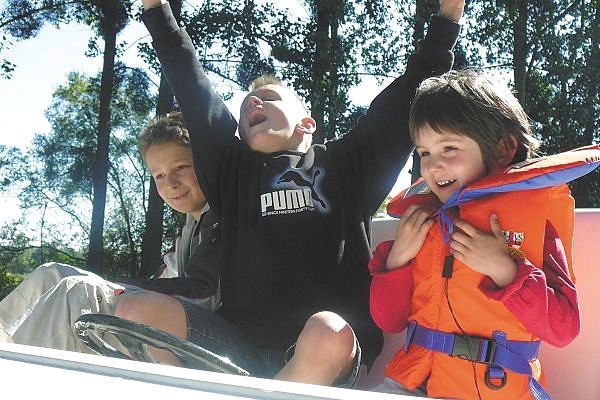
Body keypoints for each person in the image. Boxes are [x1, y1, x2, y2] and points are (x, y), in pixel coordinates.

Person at [141, 0, 464, 387]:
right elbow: (190, 83)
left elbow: (406, 97)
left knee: (326, 330)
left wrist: (447, 19)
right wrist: (157, 10)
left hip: (327, 350)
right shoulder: (230, 173)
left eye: (270, 99)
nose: (254, 103)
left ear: (306, 123)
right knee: (137, 308)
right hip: (237, 347)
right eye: (245, 107)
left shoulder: (347, 165)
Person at [369, 70, 584, 399]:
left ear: (503, 149)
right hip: (410, 384)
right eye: (424, 153)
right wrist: (398, 259)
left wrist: (506, 270)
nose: (433, 166)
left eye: (449, 148)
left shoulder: (535, 222)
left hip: (493, 388)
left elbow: (563, 329)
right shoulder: (422, 221)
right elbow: (389, 321)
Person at [0, 112, 221, 359]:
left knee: (78, 291)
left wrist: (119, 288)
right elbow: (162, 278)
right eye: (159, 175)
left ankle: (17, 369)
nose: (170, 183)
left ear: (204, 163)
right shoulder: (190, 228)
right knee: (51, 274)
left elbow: (205, 295)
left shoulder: (221, 218)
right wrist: (118, 287)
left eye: (180, 168)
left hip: (210, 335)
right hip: (179, 317)